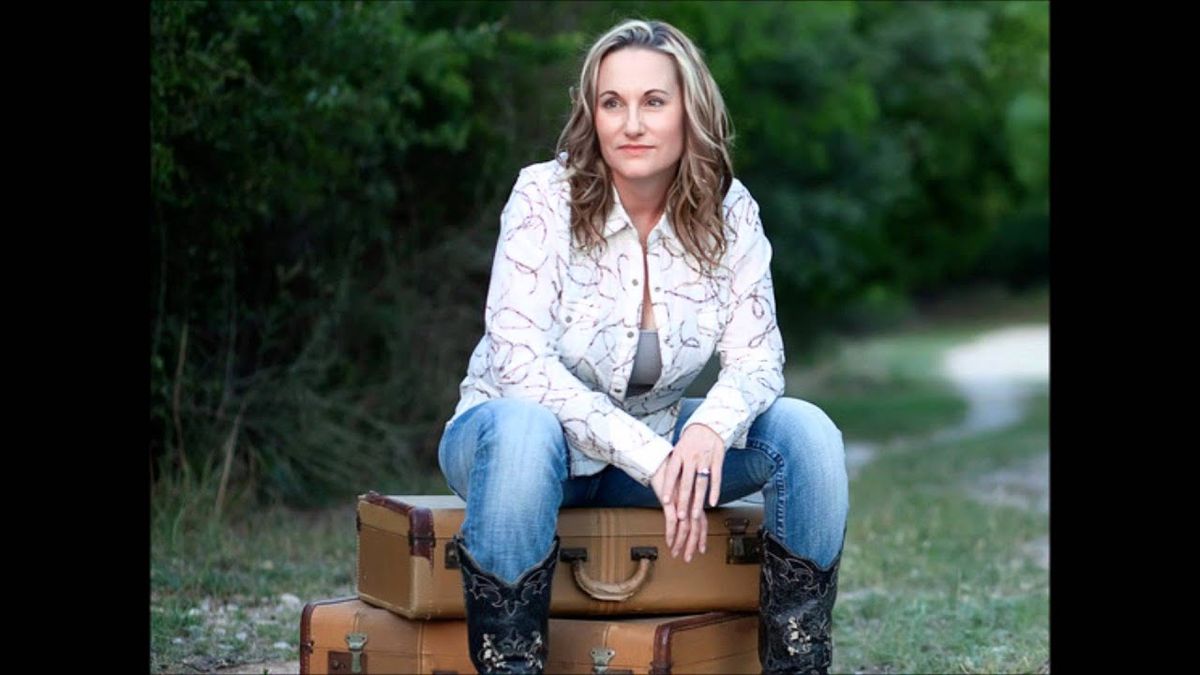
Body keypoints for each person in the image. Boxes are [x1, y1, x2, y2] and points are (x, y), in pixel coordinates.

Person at [437, 18, 849, 675]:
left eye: (653, 101)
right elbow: (519, 364)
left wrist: (709, 429)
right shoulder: (543, 196)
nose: (631, 124)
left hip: (653, 445)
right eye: (612, 103)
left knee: (808, 434)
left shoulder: (730, 210)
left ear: (690, 111)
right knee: (522, 427)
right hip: (516, 448)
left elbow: (757, 357)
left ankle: (797, 662)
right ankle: (511, 663)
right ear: (591, 115)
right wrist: (654, 458)